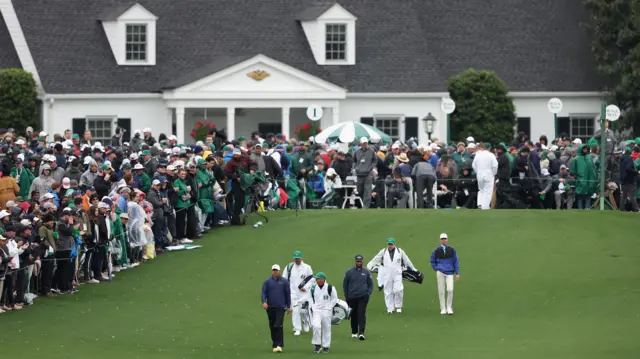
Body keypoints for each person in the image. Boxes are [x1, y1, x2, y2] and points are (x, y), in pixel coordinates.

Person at [367, 238, 417, 314]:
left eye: (391, 244)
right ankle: (390, 308)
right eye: (389, 244)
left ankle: (398, 306)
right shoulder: (383, 251)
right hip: (387, 274)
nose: (390, 246)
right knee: (388, 291)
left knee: (399, 289)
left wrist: (413, 269)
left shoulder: (400, 251)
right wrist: (370, 265)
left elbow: (407, 260)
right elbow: (376, 259)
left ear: (394, 244)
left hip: (397, 274)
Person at [282, 250, 313, 336]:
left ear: (301, 258)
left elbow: (311, 279)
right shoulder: (289, 267)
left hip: (304, 293)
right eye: (295, 259)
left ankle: (306, 322)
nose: (297, 260)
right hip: (293, 293)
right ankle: (297, 328)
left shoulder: (307, 267)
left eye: (298, 258)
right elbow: (284, 279)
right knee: (295, 310)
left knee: (304, 310)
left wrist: (305, 287)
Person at [261, 264, 291, 353]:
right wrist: (264, 302)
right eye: (274, 270)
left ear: (279, 271)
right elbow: (263, 293)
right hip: (270, 307)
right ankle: (275, 344)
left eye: (276, 270)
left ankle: (278, 344)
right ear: (272, 271)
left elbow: (287, 294)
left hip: (281, 307)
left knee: (278, 324)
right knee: (272, 326)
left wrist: (289, 306)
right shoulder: (267, 282)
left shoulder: (284, 282)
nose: (275, 271)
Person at [343, 254, 373, 340]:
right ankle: (354, 331)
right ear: (355, 261)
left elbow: (370, 284)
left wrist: (368, 293)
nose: (359, 263)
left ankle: (361, 332)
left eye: (360, 261)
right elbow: (345, 285)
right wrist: (347, 296)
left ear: (362, 261)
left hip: (363, 297)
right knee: (353, 314)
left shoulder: (366, 272)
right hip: (352, 297)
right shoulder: (349, 272)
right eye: (357, 261)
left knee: (361, 313)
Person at [429, 233, 460, 315]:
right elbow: (432, 260)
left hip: (450, 272)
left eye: (445, 238)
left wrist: (457, 272)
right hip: (440, 272)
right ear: (440, 240)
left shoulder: (452, 250)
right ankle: (443, 308)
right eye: (442, 239)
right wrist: (436, 268)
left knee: (450, 289)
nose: (444, 240)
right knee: (441, 290)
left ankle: (449, 307)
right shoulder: (436, 250)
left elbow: (456, 261)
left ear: (447, 239)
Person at [309, 272, 338, 354]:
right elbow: (310, 297)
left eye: (318, 279)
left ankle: (326, 346)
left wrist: (329, 308)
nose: (316, 280)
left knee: (327, 328)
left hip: (326, 311)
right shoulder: (313, 287)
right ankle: (317, 345)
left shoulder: (330, 288)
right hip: (317, 310)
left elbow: (334, 299)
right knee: (316, 326)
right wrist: (313, 307)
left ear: (323, 279)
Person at [472, 142, 498, 209]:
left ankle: (480, 204)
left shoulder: (478, 155)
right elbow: (495, 165)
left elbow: (473, 165)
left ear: (483, 147)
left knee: (481, 190)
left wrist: (478, 172)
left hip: (480, 174)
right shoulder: (491, 155)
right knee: (488, 191)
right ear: (489, 148)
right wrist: (493, 173)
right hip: (489, 174)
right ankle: (485, 207)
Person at [354, 137, 377, 208]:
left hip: (368, 174)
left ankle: (366, 206)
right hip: (359, 174)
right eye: (363, 143)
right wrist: (355, 167)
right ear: (360, 143)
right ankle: (361, 204)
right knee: (359, 190)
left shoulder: (371, 151)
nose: (365, 144)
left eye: (366, 143)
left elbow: (375, 160)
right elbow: (354, 160)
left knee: (367, 190)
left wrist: (371, 167)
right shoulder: (357, 152)